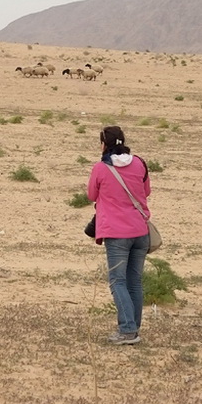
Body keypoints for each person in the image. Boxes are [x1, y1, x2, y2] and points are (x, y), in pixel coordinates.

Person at [87, 126, 151, 345]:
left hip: (116, 233)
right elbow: (146, 191)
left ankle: (127, 330)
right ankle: (133, 327)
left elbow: (91, 195)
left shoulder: (101, 168)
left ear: (103, 145)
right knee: (134, 282)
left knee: (117, 281)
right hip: (140, 230)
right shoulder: (140, 163)